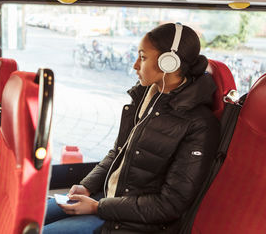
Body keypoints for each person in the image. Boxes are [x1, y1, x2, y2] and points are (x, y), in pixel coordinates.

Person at [44, 23, 220, 234]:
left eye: (143, 57)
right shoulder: (146, 96)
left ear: (168, 62)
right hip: (109, 198)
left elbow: (170, 205)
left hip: (136, 222)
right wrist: (87, 185)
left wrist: (97, 207)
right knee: (29, 215)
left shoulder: (199, 125)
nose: (135, 65)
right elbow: (120, 151)